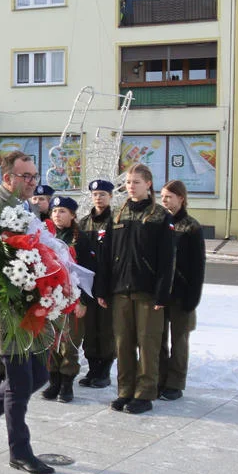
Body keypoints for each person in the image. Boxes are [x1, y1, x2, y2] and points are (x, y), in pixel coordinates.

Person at [0, 150, 55, 474]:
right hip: (9, 310)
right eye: (26, 176)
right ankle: (20, 451)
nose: (32, 182)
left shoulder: (25, 207)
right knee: (20, 383)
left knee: (40, 376)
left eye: (35, 176)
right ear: (8, 178)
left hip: (30, 305)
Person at [94, 163, 175, 415]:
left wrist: (162, 292)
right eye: (128, 182)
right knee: (123, 343)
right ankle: (125, 391)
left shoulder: (161, 216)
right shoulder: (117, 214)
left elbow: (167, 260)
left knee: (148, 344)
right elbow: (105, 255)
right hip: (120, 291)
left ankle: (145, 393)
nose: (131, 187)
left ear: (148, 184)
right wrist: (102, 289)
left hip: (148, 292)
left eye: (136, 182)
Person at [39, 196, 91, 404]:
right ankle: (53, 381)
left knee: (68, 342)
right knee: (51, 341)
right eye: (54, 211)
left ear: (72, 215)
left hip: (72, 297)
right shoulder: (45, 236)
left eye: (62, 211)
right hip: (50, 298)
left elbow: (88, 272)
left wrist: (83, 301)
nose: (57, 215)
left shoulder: (82, 239)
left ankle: (67, 383)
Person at [158, 180, 205, 401]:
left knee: (179, 340)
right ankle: (159, 378)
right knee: (157, 339)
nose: (164, 201)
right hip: (160, 294)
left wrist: (192, 298)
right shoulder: (158, 222)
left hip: (181, 294)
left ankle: (175, 383)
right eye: (162, 196)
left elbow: (198, 266)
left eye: (169, 196)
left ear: (181, 198)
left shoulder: (191, 227)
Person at [77, 179, 115, 388]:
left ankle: (104, 371)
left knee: (106, 329)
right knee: (90, 329)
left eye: (103, 194)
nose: (98, 198)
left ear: (110, 196)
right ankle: (92, 369)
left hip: (108, 283)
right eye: (95, 194)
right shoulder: (83, 223)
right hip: (87, 284)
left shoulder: (116, 222)